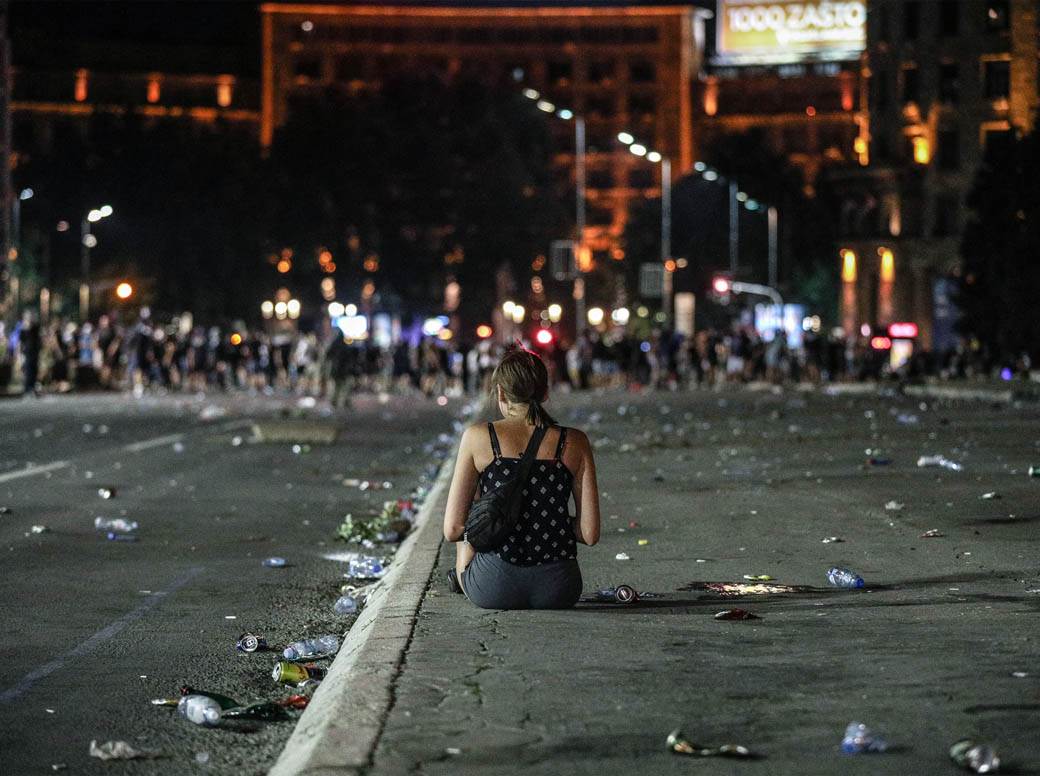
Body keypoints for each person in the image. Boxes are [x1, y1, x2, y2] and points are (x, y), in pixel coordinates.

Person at [442, 345, 600, 610]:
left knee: (474, 506)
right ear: (545, 392)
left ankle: (463, 574)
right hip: (560, 588)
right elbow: (590, 533)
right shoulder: (575, 441)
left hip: (494, 587)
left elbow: (452, 529)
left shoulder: (478, 437)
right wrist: (549, 518)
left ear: (501, 393)